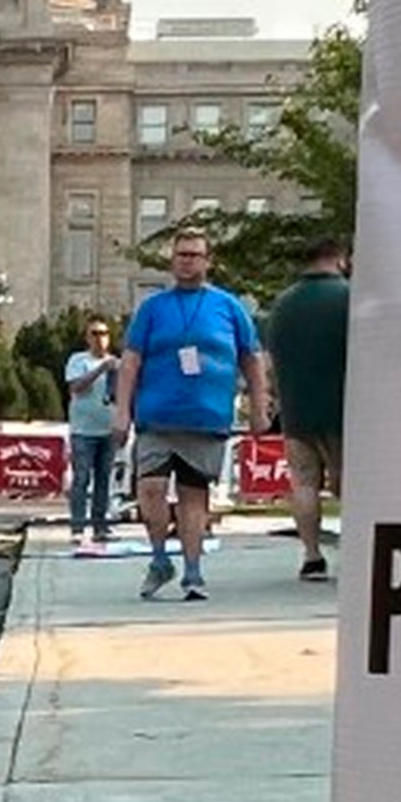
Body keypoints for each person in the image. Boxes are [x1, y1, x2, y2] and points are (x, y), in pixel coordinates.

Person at [112, 227, 263, 601]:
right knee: (150, 490)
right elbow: (130, 361)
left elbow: (252, 358)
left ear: (208, 261)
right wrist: (121, 411)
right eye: (181, 254)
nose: (187, 261)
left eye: (195, 254)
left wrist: (260, 405)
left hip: (205, 419)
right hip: (156, 418)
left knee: (194, 498)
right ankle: (160, 558)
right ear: (172, 260)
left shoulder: (229, 308)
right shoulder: (152, 309)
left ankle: (193, 573)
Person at [263, 238, 351, 582]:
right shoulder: (349, 298)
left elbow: (271, 360)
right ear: (340, 258)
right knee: (348, 484)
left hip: (297, 407)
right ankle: (355, 553)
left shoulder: (283, 304)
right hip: (342, 406)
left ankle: (312, 555)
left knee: (303, 483)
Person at [62, 319, 122, 553]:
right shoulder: (79, 360)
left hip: (107, 428)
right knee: (81, 478)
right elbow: (77, 387)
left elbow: (121, 394)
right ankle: (78, 526)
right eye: (95, 333)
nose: (100, 337)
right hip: (83, 430)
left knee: (104, 479)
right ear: (87, 337)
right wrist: (100, 370)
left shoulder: (115, 363)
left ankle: (100, 525)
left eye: (104, 333)